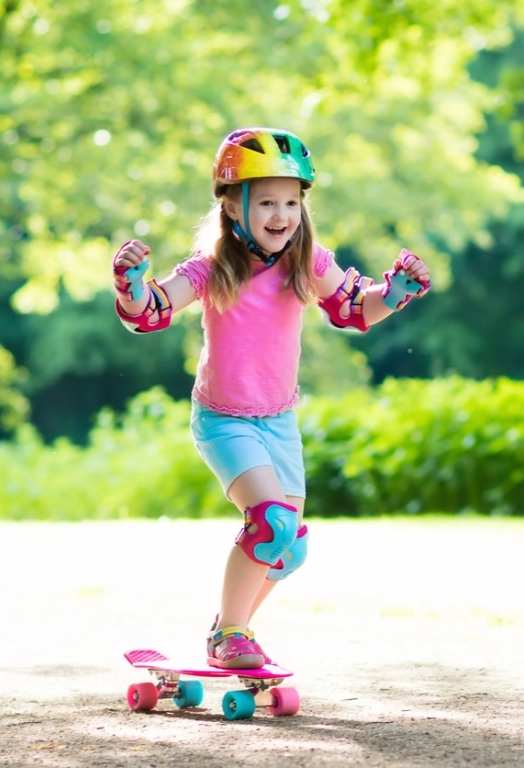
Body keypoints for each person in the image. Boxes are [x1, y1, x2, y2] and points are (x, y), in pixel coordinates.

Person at [110, 127, 431, 670]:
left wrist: (396, 291)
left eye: (291, 201)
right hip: (223, 421)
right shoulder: (211, 268)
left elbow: (355, 309)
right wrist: (131, 284)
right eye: (265, 202)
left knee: (290, 548)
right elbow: (152, 313)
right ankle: (233, 632)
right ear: (233, 206)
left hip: (279, 423)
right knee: (272, 523)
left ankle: (228, 630)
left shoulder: (305, 260)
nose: (281, 214)